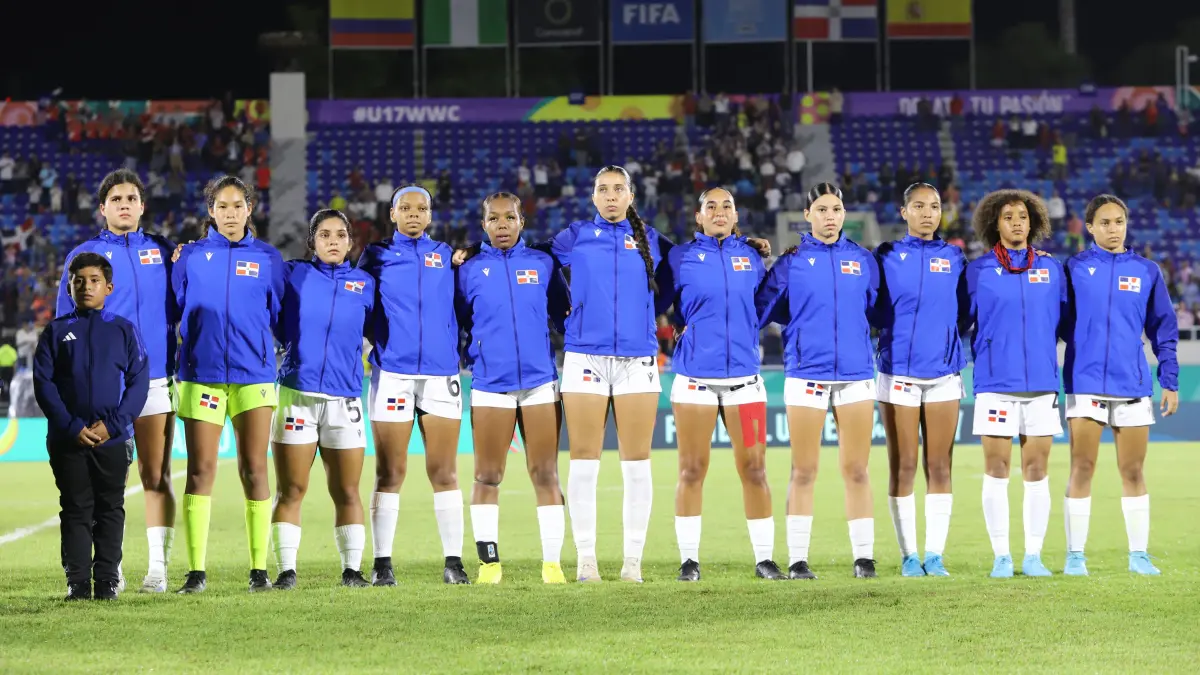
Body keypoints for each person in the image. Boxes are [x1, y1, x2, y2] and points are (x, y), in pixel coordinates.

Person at [453, 166, 770, 583]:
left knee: (636, 466)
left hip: (638, 359)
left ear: (631, 195)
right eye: (603, 189)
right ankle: (587, 561)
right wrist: (475, 249)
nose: (611, 196)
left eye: (619, 189)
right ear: (594, 197)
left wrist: (744, 244)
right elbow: (525, 253)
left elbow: (696, 264)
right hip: (585, 357)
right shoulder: (575, 236)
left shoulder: (654, 242)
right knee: (584, 465)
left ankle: (631, 563)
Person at [56, 169, 178, 594]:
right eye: (116, 199)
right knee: (104, 482)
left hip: (156, 379)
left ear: (143, 206)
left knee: (156, 474)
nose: (125, 204)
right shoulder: (84, 255)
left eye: (132, 198)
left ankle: (159, 569)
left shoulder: (163, 252)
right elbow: (63, 325)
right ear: (103, 208)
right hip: (103, 386)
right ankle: (112, 568)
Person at [756, 183, 880, 579]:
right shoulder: (791, 264)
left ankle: (864, 558)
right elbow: (760, 310)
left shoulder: (863, 260)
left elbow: (878, 313)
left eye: (837, 209)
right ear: (807, 215)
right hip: (807, 373)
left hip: (856, 374)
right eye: (822, 209)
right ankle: (797, 560)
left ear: (845, 214)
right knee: (804, 469)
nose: (830, 216)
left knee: (857, 469)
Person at [661, 188, 784, 581]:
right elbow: (661, 301)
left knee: (755, 470)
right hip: (695, 380)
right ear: (698, 217)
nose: (718, 211)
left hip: (745, 382)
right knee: (692, 470)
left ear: (736, 216)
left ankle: (765, 559)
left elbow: (761, 311)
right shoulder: (679, 258)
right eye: (710, 206)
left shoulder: (751, 257)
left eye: (726, 206)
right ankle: (689, 561)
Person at [172, 176, 285, 594]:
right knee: (200, 470)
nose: (231, 213)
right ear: (211, 212)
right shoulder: (189, 257)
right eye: (223, 206)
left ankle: (259, 571)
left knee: (254, 469)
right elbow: (178, 306)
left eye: (238, 206)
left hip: (253, 375)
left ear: (250, 209)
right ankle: (196, 571)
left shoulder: (270, 259)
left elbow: (277, 314)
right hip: (200, 374)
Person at [454, 192, 569, 584]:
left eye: (510, 217)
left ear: (522, 221)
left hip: (540, 383)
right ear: (483, 223)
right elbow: (456, 321)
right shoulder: (467, 270)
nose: (502, 225)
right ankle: (489, 564)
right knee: (487, 475)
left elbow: (562, 314)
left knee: (546, 474)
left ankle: (552, 564)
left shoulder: (542, 263)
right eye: (494, 218)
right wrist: (475, 354)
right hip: (490, 384)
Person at [1061, 194, 1178, 576]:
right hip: (1086, 382)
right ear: (1089, 227)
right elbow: (1059, 321)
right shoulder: (1074, 268)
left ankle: (1138, 555)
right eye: (1105, 223)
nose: (1113, 229)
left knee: (1133, 471)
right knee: (1082, 466)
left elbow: (1164, 329)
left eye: (1119, 222)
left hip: (1132, 385)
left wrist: (1170, 381)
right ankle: (1075, 555)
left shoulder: (1147, 271)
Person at [359, 185, 469, 586]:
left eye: (421, 208)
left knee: (444, 470)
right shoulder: (375, 256)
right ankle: (382, 563)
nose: (414, 214)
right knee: (390, 471)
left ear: (430, 213)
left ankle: (453, 562)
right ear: (392, 214)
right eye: (405, 208)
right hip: (393, 372)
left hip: (442, 373)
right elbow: (361, 306)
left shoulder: (446, 256)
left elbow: (463, 307)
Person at [33, 252, 149, 600]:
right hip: (69, 439)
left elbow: (138, 383)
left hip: (111, 440)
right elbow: (44, 384)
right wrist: (71, 427)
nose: (86, 286)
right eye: (79, 280)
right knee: (75, 507)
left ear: (108, 287)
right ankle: (78, 582)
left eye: (94, 280)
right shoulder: (55, 331)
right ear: (69, 286)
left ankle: (108, 581)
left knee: (110, 507)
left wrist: (112, 427)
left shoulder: (124, 330)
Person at [270, 210, 375, 589]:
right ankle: (285, 571)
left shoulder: (365, 284)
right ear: (312, 241)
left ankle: (352, 570)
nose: (333, 241)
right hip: (297, 393)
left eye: (341, 235)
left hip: (345, 398)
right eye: (325, 235)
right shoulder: (291, 275)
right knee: (291, 490)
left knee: (346, 490)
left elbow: (381, 331)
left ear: (351, 242)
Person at [965, 189, 1065, 579]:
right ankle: (1002, 555)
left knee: (1037, 469)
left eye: (1022, 215)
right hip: (994, 382)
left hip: (1041, 382)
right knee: (997, 468)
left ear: (1034, 221)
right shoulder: (978, 271)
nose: (1016, 222)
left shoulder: (1052, 268)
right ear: (995, 223)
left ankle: (1034, 555)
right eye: (1008, 216)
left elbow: (1064, 321)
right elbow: (960, 320)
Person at [873, 183, 967, 577]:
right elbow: (871, 308)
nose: (928, 213)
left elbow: (964, 312)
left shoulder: (956, 257)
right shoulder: (886, 256)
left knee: (940, 465)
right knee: (904, 464)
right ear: (903, 211)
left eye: (934, 206)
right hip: (897, 374)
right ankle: (909, 555)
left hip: (944, 374)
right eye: (918, 206)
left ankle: (935, 555)